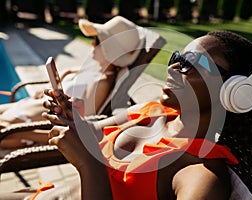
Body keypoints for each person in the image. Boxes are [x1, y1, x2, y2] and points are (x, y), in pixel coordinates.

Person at [36, 30, 252, 199]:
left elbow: (90, 157)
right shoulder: (151, 112)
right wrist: (70, 118)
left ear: (232, 91)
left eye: (193, 63)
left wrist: (89, 164)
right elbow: (90, 133)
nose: (172, 69)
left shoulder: (200, 174)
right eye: (177, 58)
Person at [0, 16, 146, 149]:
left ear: (111, 51)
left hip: (22, 127)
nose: (92, 44)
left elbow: (78, 125)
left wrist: (28, 133)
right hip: (23, 109)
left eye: (98, 41)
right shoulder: (94, 70)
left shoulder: (101, 84)